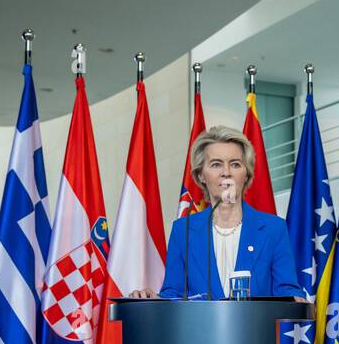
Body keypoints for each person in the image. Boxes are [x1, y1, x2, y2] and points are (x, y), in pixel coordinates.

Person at [129, 125, 303, 300]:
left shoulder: (274, 228)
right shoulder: (183, 230)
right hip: (200, 328)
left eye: (235, 164)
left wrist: (296, 298)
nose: (226, 173)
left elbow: (287, 290)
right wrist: (154, 299)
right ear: (201, 175)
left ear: (246, 174)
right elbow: (174, 294)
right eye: (216, 164)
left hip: (255, 328)